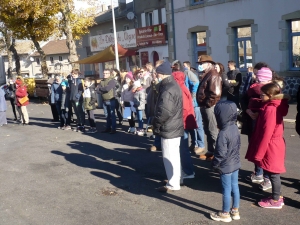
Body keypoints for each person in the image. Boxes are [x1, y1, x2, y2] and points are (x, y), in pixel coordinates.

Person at [246, 83, 289, 209]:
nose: (260, 96)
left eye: (262, 94)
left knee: (273, 173)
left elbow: (267, 132)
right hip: (275, 143)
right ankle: (277, 196)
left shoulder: (270, 109)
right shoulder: (272, 106)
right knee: (272, 171)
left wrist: (259, 152)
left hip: (271, 145)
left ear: (270, 95)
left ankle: (276, 200)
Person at [152, 60, 184, 192]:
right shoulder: (171, 85)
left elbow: (164, 111)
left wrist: (156, 123)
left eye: (157, 73)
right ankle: (177, 178)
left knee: (169, 156)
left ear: (161, 74)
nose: (156, 75)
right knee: (174, 156)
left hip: (169, 126)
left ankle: (173, 183)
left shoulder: (168, 88)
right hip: (174, 125)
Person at [210, 101, 241, 222]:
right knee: (235, 187)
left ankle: (225, 213)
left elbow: (220, 153)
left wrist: (215, 164)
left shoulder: (223, 133)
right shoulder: (235, 127)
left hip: (226, 166)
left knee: (226, 190)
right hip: (235, 163)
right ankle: (235, 210)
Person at [172, 66, 198, 181]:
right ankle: (186, 170)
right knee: (183, 148)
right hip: (184, 122)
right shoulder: (183, 88)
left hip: (181, 123)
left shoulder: (180, 90)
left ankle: (188, 171)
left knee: (183, 149)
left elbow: (183, 109)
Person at [196, 55, 222, 161]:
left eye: (202, 64)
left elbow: (215, 93)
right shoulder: (207, 74)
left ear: (209, 64)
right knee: (208, 129)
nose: (200, 66)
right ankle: (211, 151)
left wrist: (207, 104)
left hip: (210, 106)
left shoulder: (213, 75)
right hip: (205, 106)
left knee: (213, 130)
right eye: (200, 64)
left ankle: (218, 155)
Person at [182, 60, 205, 155]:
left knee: (198, 124)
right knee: (190, 125)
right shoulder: (184, 73)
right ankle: (194, 143)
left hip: (194, 104)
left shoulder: (187, 72)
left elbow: (195, 83)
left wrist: (192, 95)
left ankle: (201, 145)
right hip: (188, 103)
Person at [97, 69, 117, 134]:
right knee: (106, 115)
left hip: (111, 100)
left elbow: (108, 89)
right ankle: (108, 128)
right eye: (104, 73)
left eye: (106, 73)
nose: (105, 74)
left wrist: (101, 88)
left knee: (112, 115)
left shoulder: (112, 81)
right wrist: (101, 89)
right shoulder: (101, 81)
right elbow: (97, 90)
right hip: (104, 100)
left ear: (109, 74)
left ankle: (113, 128)